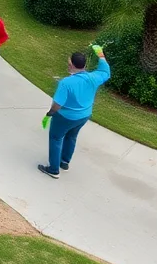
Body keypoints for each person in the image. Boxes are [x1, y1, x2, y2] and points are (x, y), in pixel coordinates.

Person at [38, 46, 111, 179]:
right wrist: (100, 55)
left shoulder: (66, 83)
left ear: (71, 64)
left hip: (65, 117)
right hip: (84, 116)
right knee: (71, 137)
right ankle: (64, 162)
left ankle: (54, 169)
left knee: (56, 138)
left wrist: (50, 113)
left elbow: (57, 105)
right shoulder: (94, 77)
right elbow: (105, 71)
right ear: (84, 65)